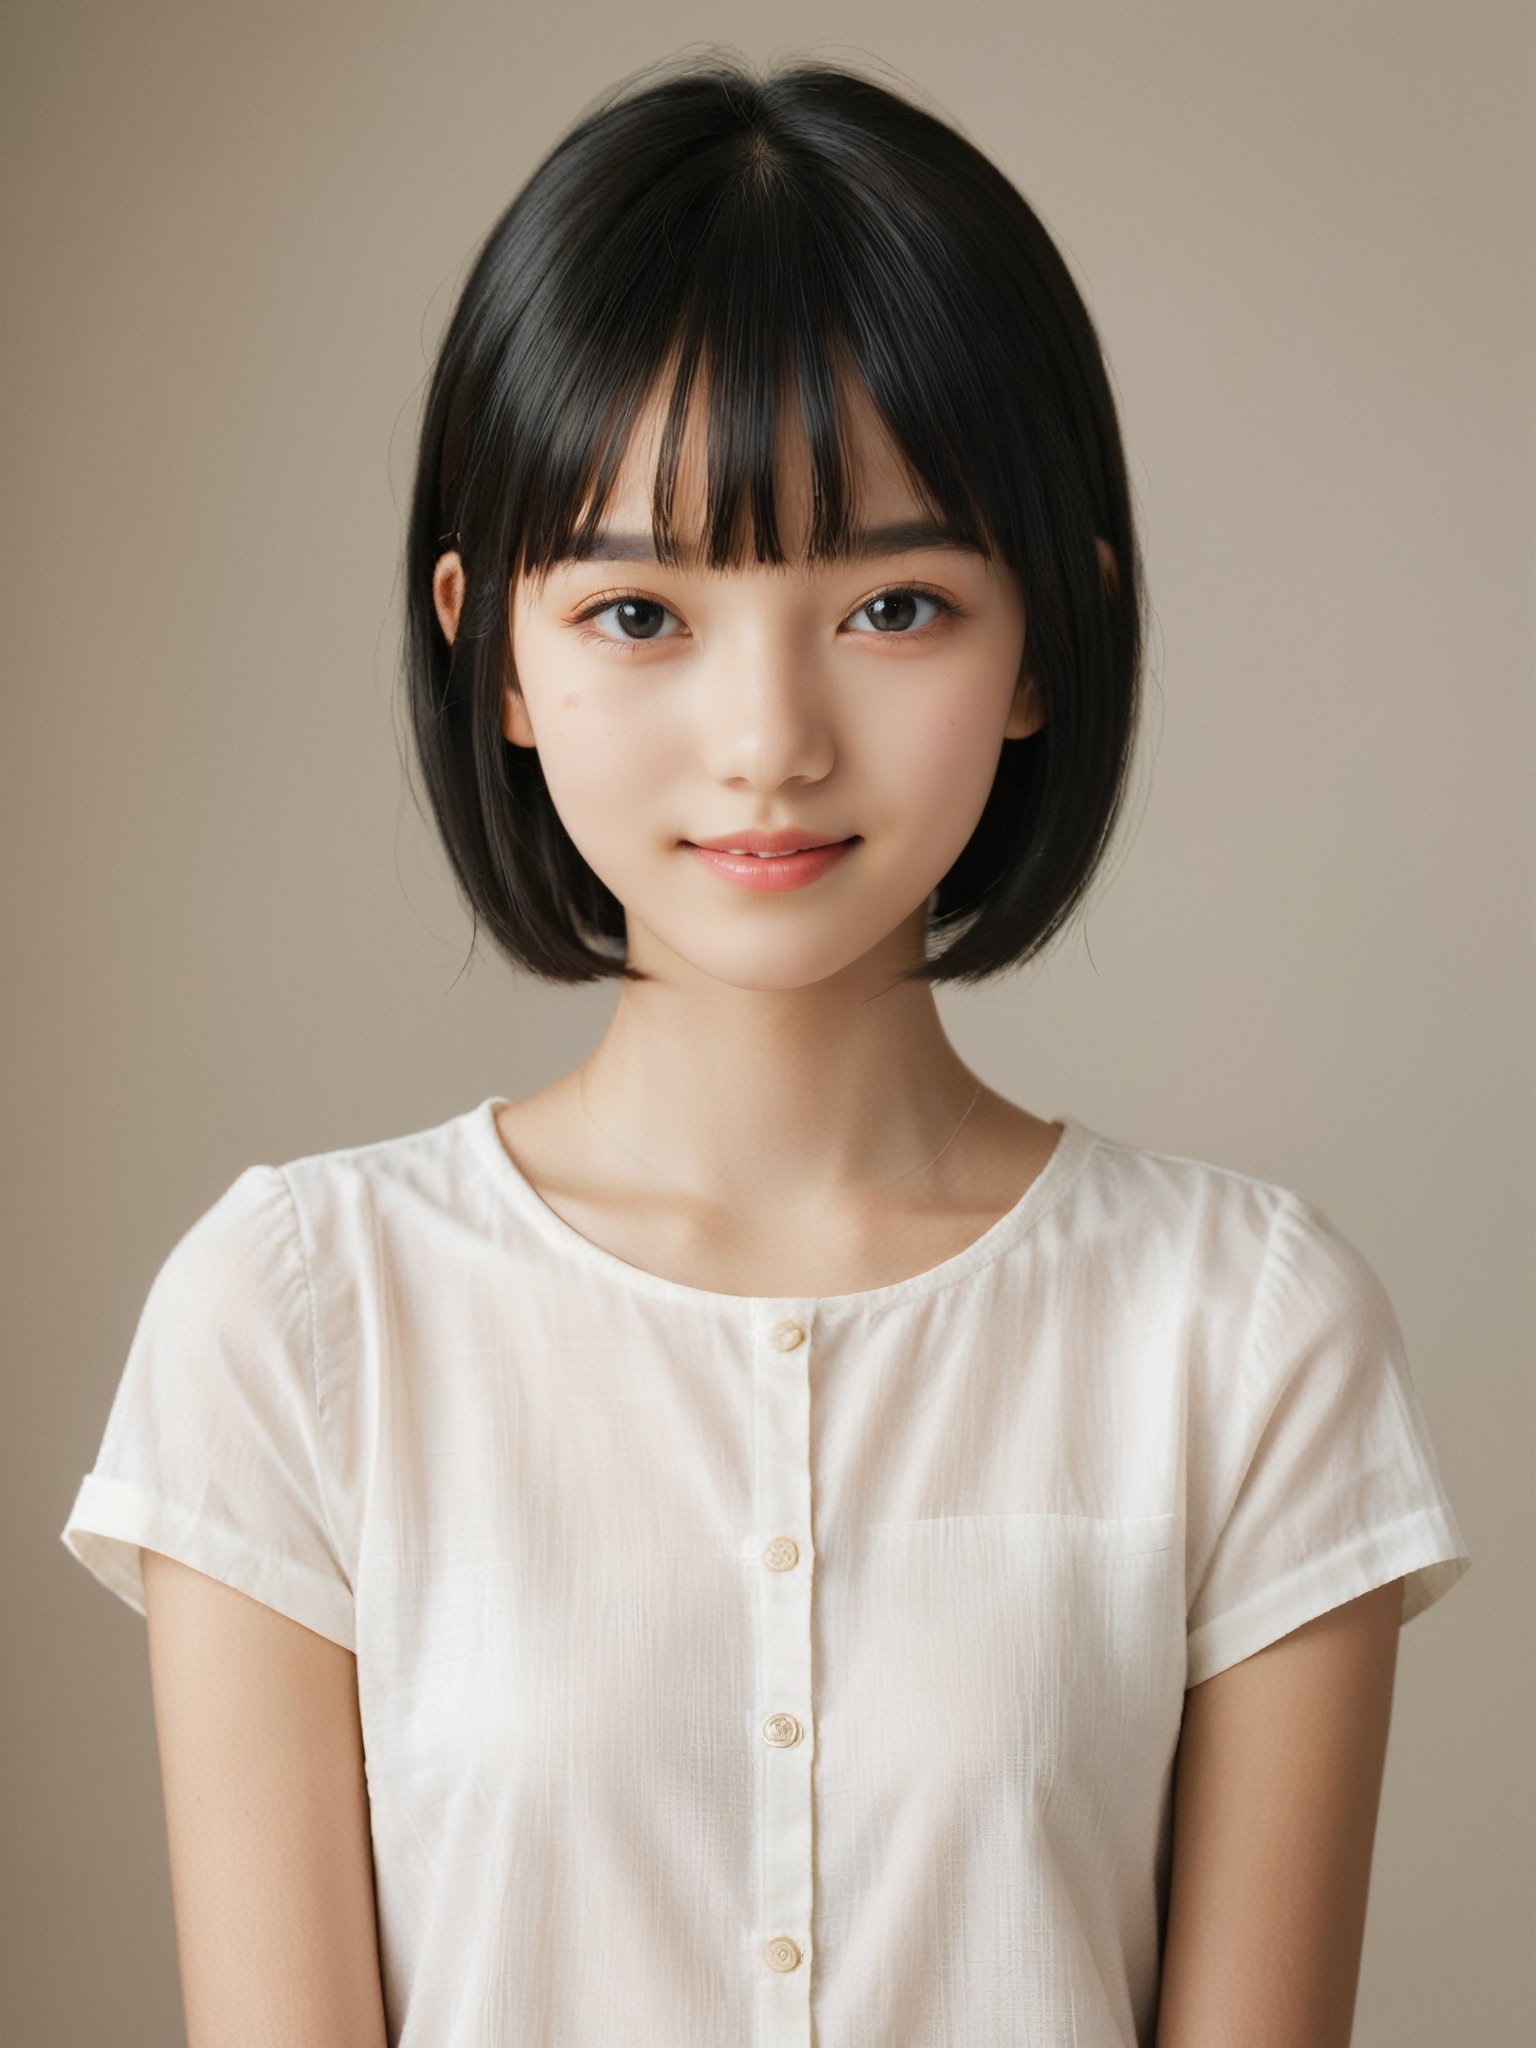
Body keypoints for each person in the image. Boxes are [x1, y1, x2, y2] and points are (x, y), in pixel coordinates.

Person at [59, 53, 1472, 2048]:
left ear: (1050, 637)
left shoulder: (1246, 1336)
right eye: (641, 612)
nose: (769, 739)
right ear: (496, 650)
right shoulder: (294, 1324)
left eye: (893, 602)